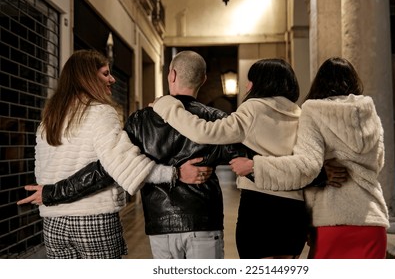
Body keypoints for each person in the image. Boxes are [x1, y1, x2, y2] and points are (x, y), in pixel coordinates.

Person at [19, 50, 245, 259]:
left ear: (171, 75)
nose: (113, 79)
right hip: (98, 218)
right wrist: (175, 173)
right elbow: (115, 166)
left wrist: (50, 194)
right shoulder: (216, 118)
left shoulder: (48, 120)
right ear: (203, 80)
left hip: (54, 223)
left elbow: (46, 170)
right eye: (106, 73)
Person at [151, 58, 311, 259]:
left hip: (261, 207)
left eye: (250, 80)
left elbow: (205, 131)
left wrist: (166, 105)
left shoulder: (254, 108)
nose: (246, 85)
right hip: (295, 210)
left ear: (261, 82)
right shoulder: (301, 114)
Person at [231, 57, 390, 259]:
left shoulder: (313, 111)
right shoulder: (370, 114)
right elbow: (378, 163)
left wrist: (257, 166)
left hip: (331, 222)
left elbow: (306, 167)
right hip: (373, 222)